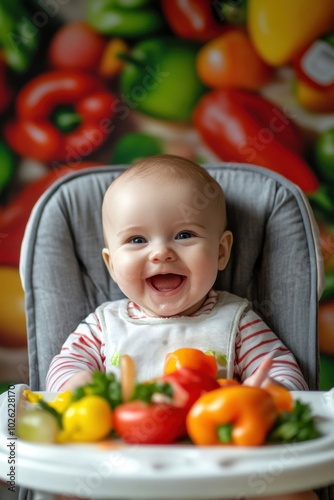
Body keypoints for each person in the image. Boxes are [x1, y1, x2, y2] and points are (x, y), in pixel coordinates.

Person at [47, 154, 317, 500]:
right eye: (137, 240)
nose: (160, 253)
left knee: (293, 493)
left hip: (219, 469)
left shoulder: (236, 318)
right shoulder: (104, 324)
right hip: (118, 468)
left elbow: (278, 364)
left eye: (184, 234)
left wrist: (267, 390)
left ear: (221, 252)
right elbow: (65, 364)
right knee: (64, 490)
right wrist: (78, 383)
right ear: (112, 265)